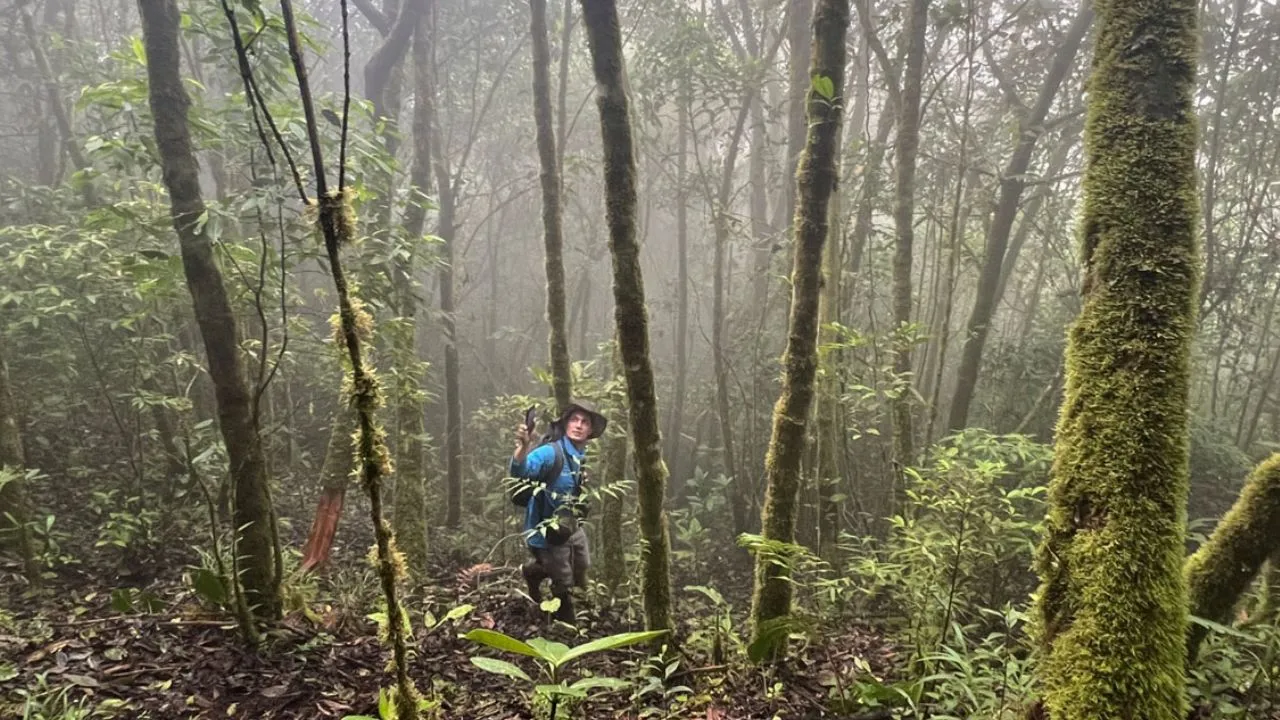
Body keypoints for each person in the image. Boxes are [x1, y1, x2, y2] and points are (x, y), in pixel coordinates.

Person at [509, 400, 606, 624]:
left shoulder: (581, 455)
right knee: (563, 579)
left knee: (582, 565)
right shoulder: (551, 453)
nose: (579, 425)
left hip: (571, 526)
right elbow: (522, 470)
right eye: (574, 420)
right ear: (565, 424)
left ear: (590, 430)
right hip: (546, 532)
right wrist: (523, 447)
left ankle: (534, 571)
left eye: (585, 422)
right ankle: (566, 625)